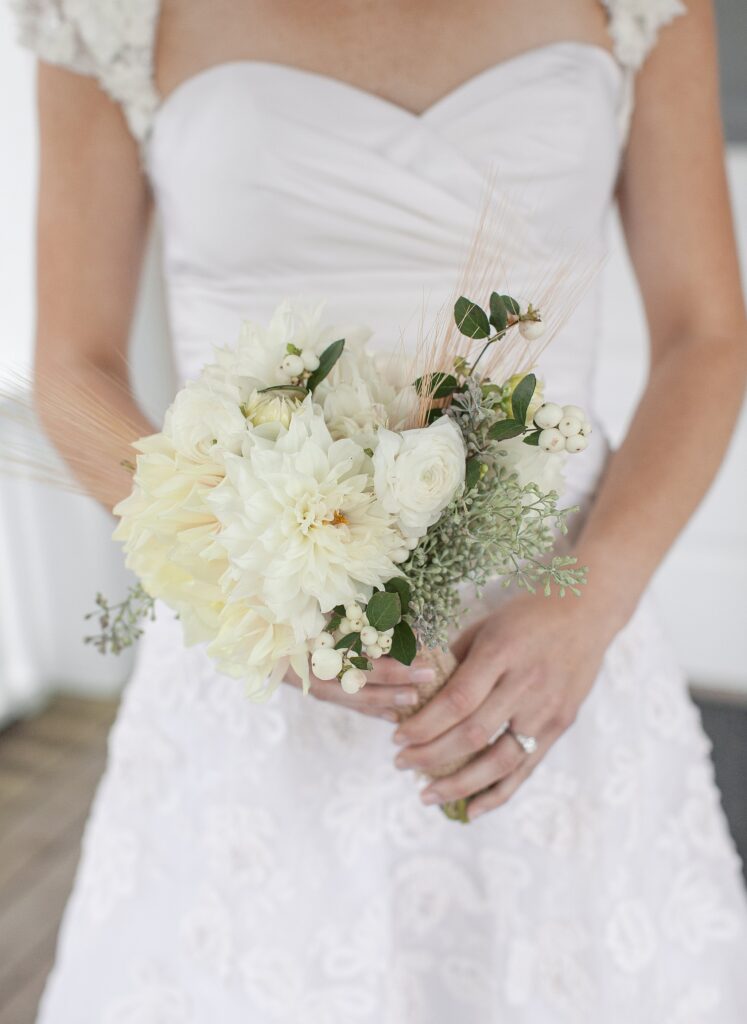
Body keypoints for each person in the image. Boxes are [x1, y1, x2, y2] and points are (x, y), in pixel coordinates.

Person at [11, 0, 747, 1020]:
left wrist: (590, 605)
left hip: (558, 649)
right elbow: (71, 369)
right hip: (256, 656)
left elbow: (706, 334)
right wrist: (247, 598)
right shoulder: (103, 15)